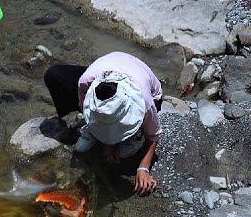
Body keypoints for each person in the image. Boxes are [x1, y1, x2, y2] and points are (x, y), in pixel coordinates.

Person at [44, 52, 164, 196]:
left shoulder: (144, 100)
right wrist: (108, 143)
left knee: (124, 153)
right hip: (109, 69)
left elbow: (154, 135)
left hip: (140, 82)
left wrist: (143, 168)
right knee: (54, 74)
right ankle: (96, 128)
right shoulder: (86, 82)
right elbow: (84, 107)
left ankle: (135, 134)